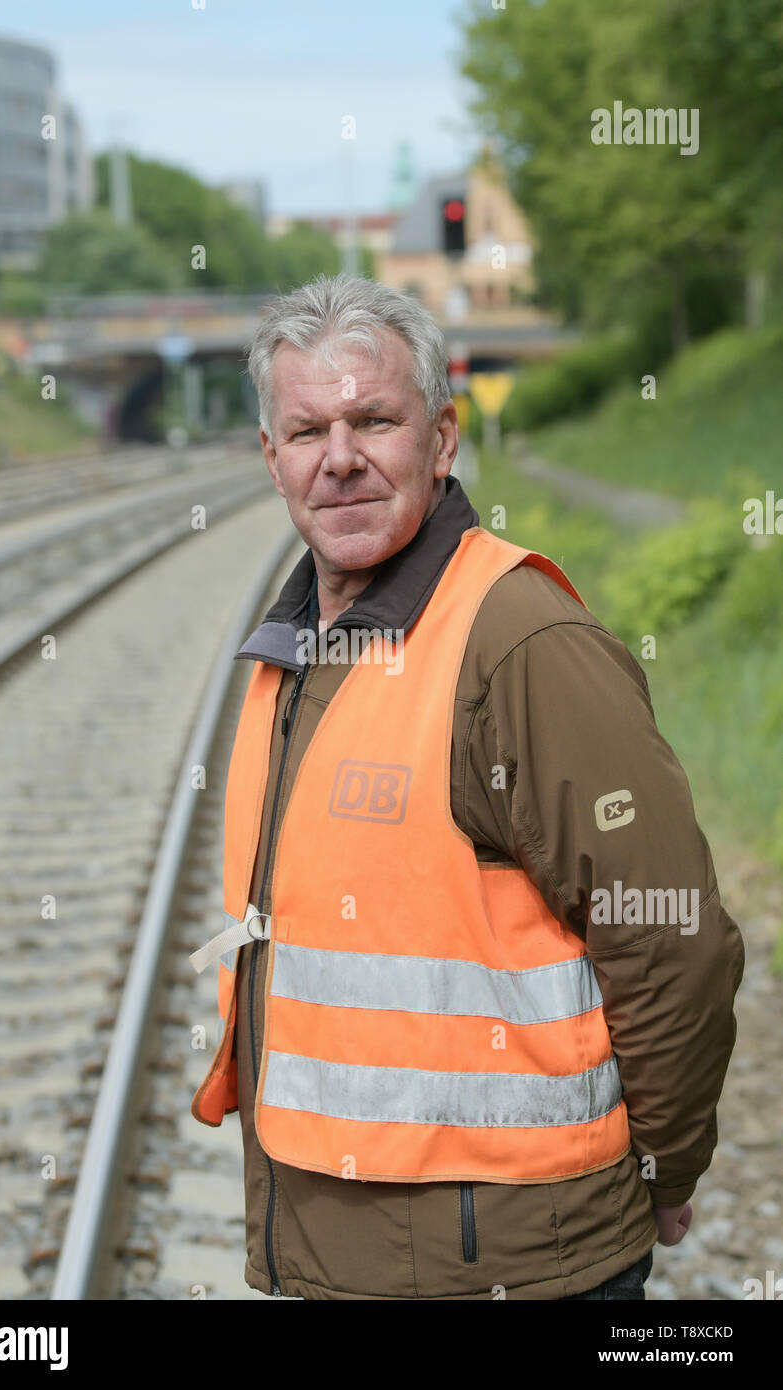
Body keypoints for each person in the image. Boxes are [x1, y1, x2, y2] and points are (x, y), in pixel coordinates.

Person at [190, 273, 745, 1301]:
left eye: (373, 420)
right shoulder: (292, 652)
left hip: (516, 1264)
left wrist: (667, 1164)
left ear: (441, 440)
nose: (340, 457)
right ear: (271, 460)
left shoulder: (518, 640)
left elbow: (669, 934)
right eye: (308, 429)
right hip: (336, 1254)